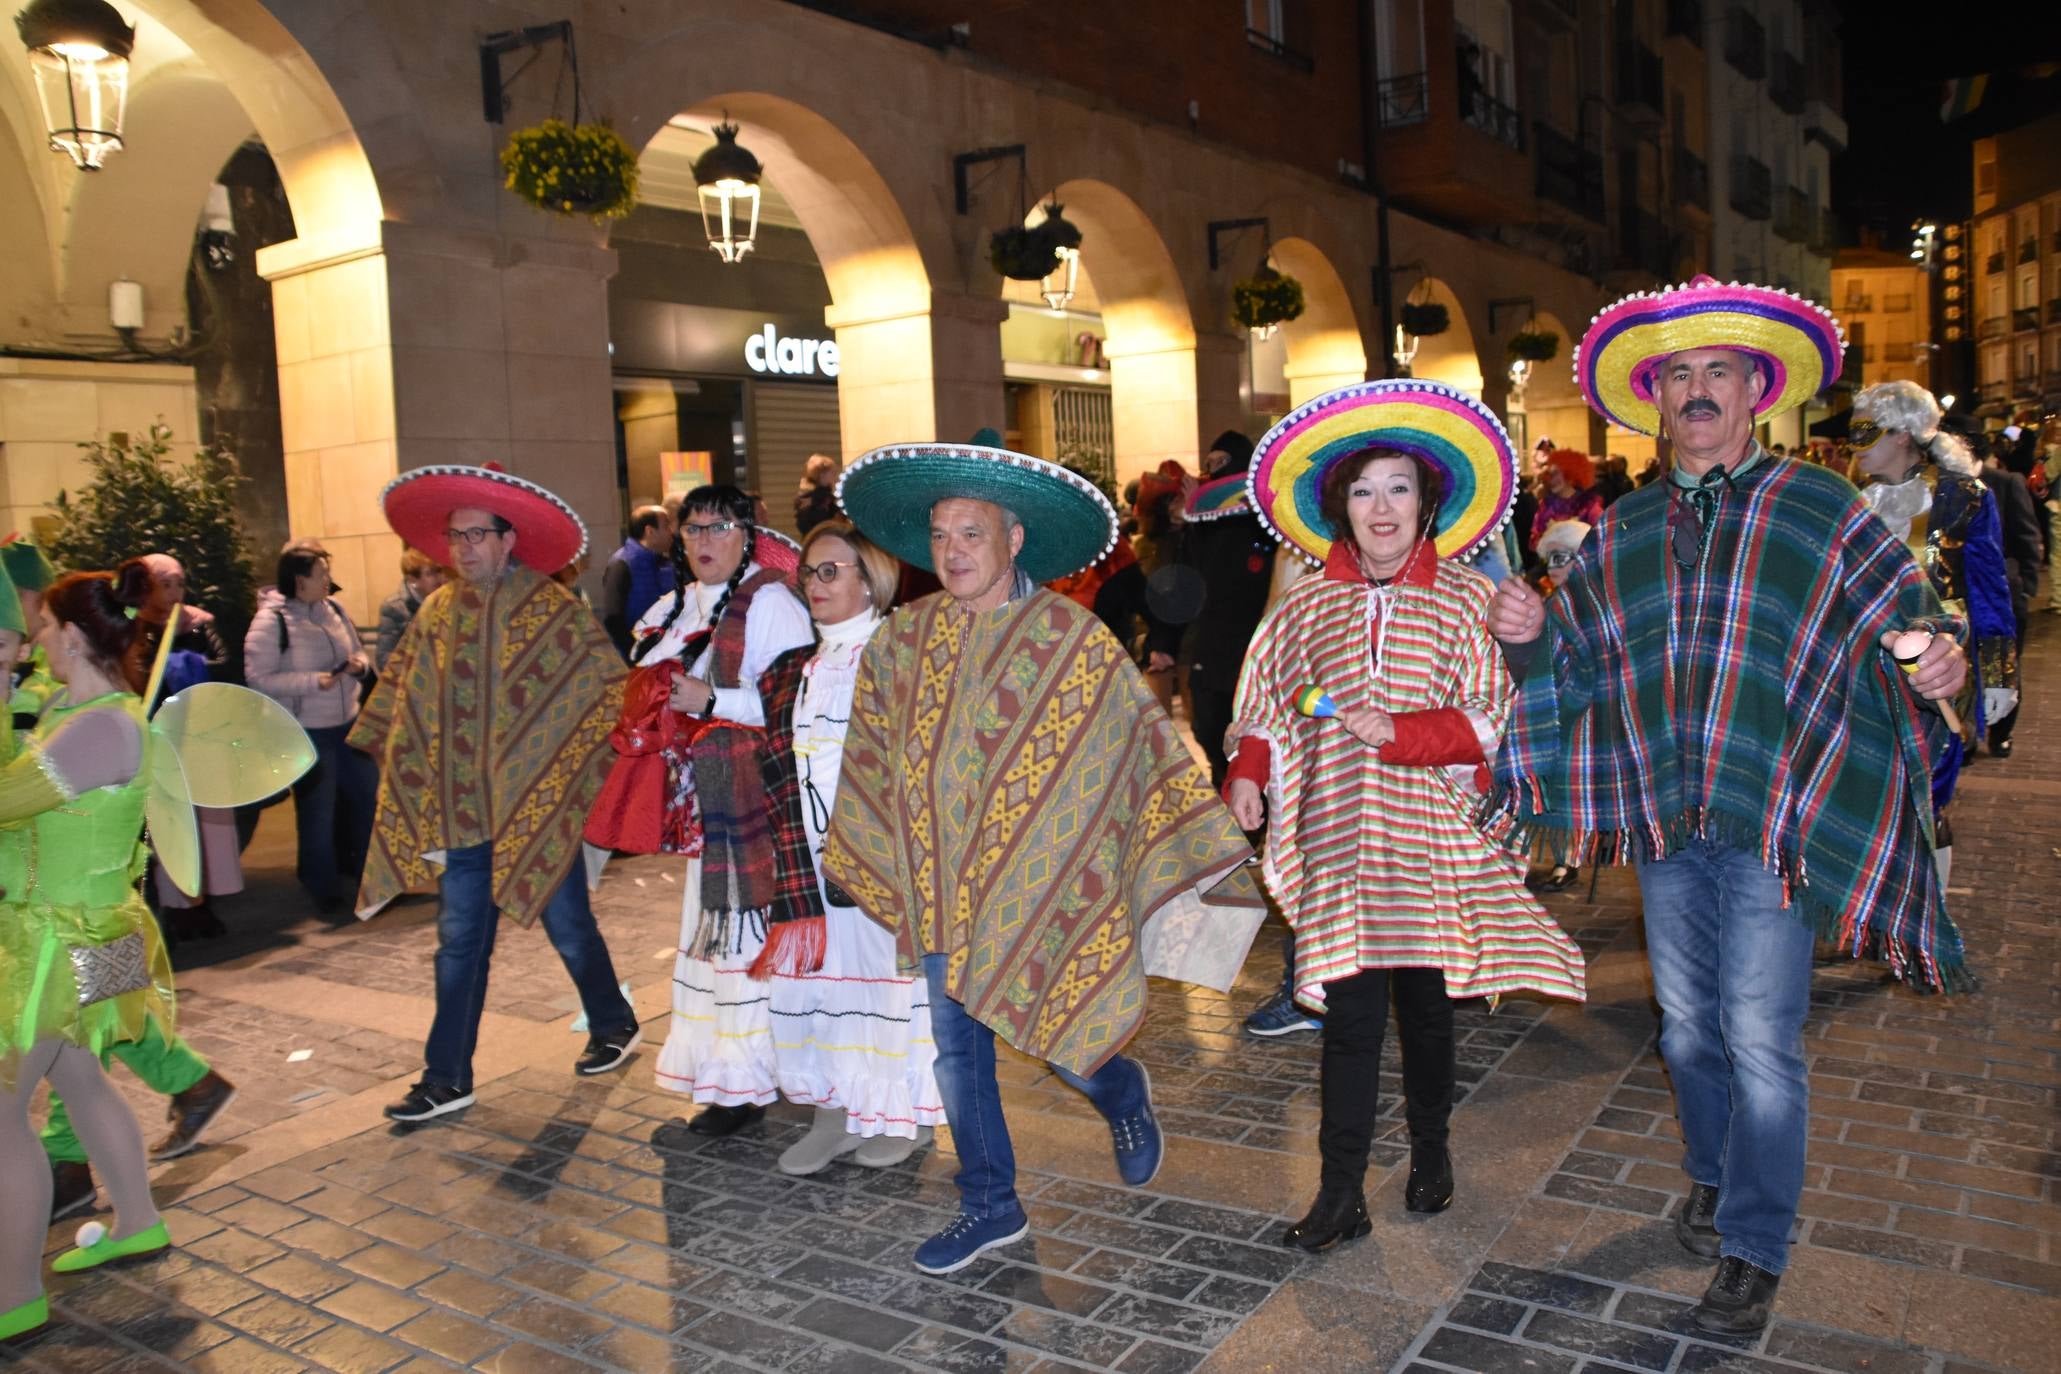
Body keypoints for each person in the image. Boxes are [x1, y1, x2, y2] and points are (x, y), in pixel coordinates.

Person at [1488, 276, 1970, 1335]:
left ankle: (1754, 1241)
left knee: (1758, 1037)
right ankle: (1711, 1174)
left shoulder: (1819, 507)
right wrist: (1526, 631)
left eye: (1719, 373)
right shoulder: (1625, 529)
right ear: (1656, 401)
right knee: (1686, 1035)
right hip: (1668, 819)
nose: (1698, 392)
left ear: (1757, 390)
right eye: (1679, 378)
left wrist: (1938, 662)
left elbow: (1917, 620)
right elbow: (1571, 666)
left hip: (1774, 820)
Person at [824, 441, 1264, 1275]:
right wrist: (867, 847)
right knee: (957, 1049)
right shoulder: (901, 641)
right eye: (941, 535)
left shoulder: (1071, 639)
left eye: (971, 533)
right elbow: (874, 757)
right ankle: (989, 1205)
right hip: (940, 886)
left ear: (1013, 539)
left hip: (1045, 882)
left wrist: (1181, 835)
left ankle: (1119, 1091)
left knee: (1064, 1037)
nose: (953, 551)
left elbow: (1135, 750)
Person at [1227, 381, 1585, 1250]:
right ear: (1336, 507)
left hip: (1433, 845)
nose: (1379, 507)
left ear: (1428, 503)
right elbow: (1265, 699)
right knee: (1347, 1025)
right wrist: (1249, 766)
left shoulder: (1469, 602)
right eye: (1361, 489)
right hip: (1341, 841)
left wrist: (1405, 732)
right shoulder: (1304, 606)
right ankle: (1339, 1193)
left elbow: (1496, 713)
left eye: (1397, 487)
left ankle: (1431, 1150)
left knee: (1426, 1013)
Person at [354, 464, 642, 1122]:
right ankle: (446, 1077)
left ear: (508, 540)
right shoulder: (434, 613)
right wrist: (408, 770)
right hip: (463, 815)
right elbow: (405, 705)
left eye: (477, 535)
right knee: (459, 944)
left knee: (568, 927)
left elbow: (604, 691)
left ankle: (613, 1021)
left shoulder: (549, 609)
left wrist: (558, 771)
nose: (464, 548)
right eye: (455, 537)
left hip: (535, 810)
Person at [1, 565, 175, 1342]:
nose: (35, 641)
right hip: (92, 933)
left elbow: (6, 804)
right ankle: (136, 1220)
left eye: (41, 628)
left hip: (56, 942)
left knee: (4, 1115)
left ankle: (12, 1298)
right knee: (80, 1079)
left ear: (72, 636)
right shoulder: (87, 713)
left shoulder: (101, 725)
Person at [632, 485, 816, 1137]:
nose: (704, 543)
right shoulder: (677, 607)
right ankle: (730, 1076)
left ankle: (747, 1085)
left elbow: (796, 707)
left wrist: (709, 699)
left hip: (756, 802)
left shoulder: (770, 603)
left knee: (741, 939)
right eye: (692, 531)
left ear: (745, 533)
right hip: (705, 801)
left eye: (718, 529)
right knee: (711, 939)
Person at [762, 521, 944, 1174]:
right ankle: (833, 1113)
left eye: (830, 571)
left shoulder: (899, 655)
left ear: (872, 580)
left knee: (884, 991)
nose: (815, 584)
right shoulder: (794, 671)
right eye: (808, 573)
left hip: (879, 860)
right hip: (806, 860)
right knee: (817, 988)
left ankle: (905, 1116)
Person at [1851, 382, 2019, 799]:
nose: (1855, 446)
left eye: (1867, 432)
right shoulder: (1852, 500)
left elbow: (1990, 591)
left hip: (1943, 661)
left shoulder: (1963, 498)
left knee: (1933, 787)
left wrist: (2001, 675)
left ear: (1903, 433)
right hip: (1871, 666)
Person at [245, 545, 379, 912]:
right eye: (321, 574)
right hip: (308, 728)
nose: (327, 581)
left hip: (347, 722)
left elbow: (360, 650)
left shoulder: (334, 610)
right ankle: (322, 884)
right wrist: (310, 681)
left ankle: (363, 871)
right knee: (318, 809)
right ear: (300, 580)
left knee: (367, 797)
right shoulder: (271, 621)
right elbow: (258, 678)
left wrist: (358, 665)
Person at [1523, 518, 1592, 895]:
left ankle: (1570, 858)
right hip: (1551, 705)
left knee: (1571, 785)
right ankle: (1560, 855)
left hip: (1584, 710)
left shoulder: (1596, 603)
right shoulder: (1550, 603)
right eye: (1551, 560)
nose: (1555, 567)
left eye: (1563, 558)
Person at [601, 504, 676, 659]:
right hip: (636, 659)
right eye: (666, 526)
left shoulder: (667, 564)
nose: (671, 532)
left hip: (666, 654)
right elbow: (613, 617)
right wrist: (635, 652)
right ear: (650, 531)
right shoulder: (621, 564)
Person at [375, 548, 448, 673]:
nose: (439, 578)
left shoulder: (447, 599)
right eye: (430, 573)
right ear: (412, 580)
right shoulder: (394, 608)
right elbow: (384, 659)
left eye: (439, 571)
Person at [1530, 448, 1604, 546]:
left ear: (1570, 475)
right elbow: (1534, 541)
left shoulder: (1588, 506)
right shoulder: (1545, 506)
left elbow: (1603, 538)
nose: (1551, 480)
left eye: (1555, 473)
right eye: (1549, 474)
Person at [794, 453, 842, 536]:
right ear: (822, 475)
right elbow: (802, 522)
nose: (836, 476)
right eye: (832, 473)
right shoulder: (808, 495)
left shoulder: (828, 495)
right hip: (817, 537)